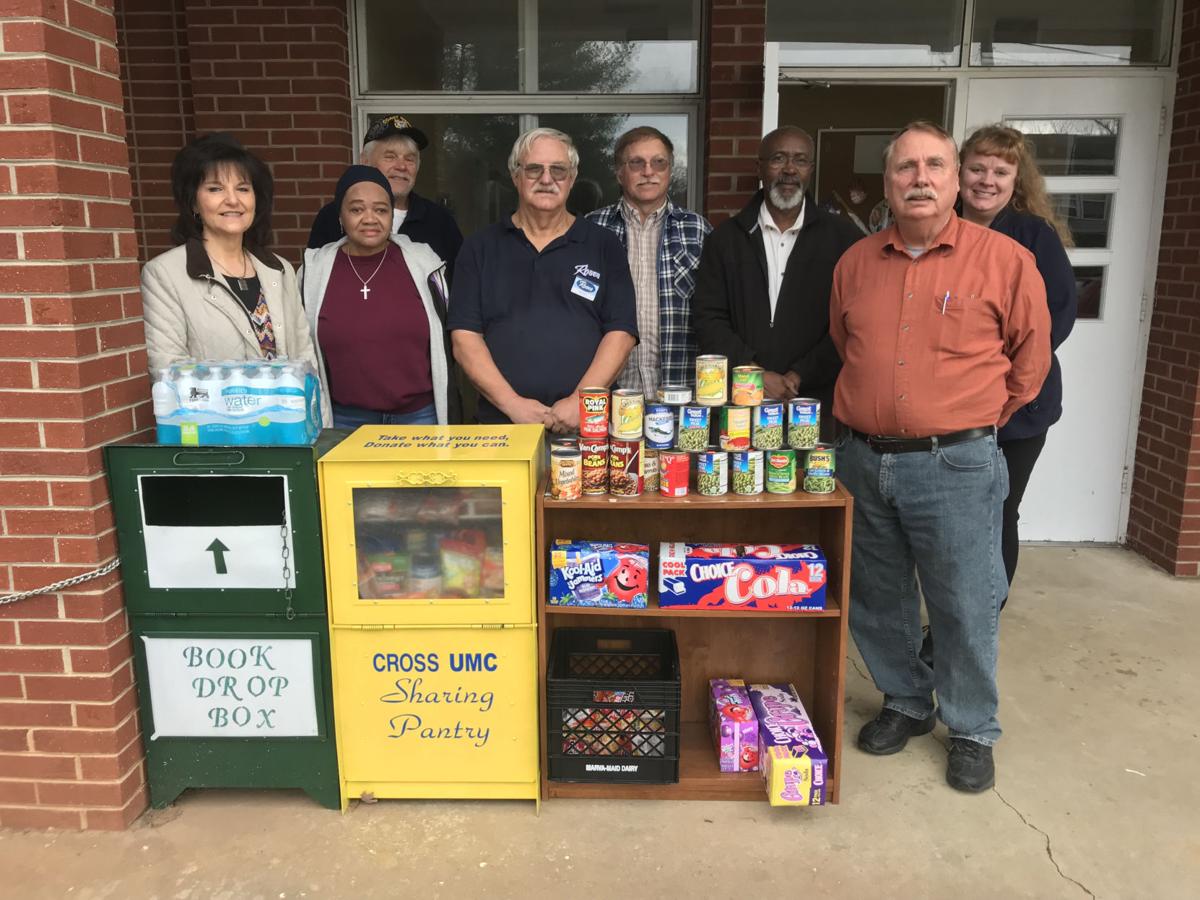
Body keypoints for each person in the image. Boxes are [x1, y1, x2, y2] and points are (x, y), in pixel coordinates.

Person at [829, 121, 1051, 793]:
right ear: (889, 183)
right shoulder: (856, 263)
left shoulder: (1004, 260)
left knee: (963, 600)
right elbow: (846, 342)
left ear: (955, 181)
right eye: (905, 168)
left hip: (955, 462)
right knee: (878, 596)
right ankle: (904, 701)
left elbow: (1029, 364)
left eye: (934, 166)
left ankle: (973, 727)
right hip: (864, 459)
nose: (919, 179)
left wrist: (963, 422)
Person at [448, 128, 638, 430]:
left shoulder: (604, 245)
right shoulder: (479, 247)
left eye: (558, 170)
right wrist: (512, 404)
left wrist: (582, 400)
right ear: (515, 176)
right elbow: (464, 339)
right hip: (502, 427)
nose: (546, 179)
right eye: (534, 169)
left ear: (572, 178)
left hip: (586, 427)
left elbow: (621, 334)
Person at [958, 124, 1078, 595]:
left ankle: (982, 616)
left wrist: (998, 379)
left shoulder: (1034, 236)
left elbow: (1057, 317)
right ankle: (954, 616)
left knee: (995, 511)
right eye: (978, 168)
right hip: (951, 406)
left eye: (1001, 171)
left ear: (1016, 180)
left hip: (1017, 408)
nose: (987, 180)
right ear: (959, 173)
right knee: (953, 516)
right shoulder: (935, 226)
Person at [141, 133, 329, 422]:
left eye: (243, 188)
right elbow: (169, 371)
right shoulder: (166, 274)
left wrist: (318, 426)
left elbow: (305, 360)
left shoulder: (278, 269)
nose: (233, 200)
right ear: (193, 202)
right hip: (217, 438)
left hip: (287, 433)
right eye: (215, 189)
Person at [692, 126, 861, 426]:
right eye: (778, 159)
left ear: (811, 169)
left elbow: (852, 321)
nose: (789, 170)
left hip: (816, 405)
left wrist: (800, 374)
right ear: (759, 167)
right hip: (739, 406)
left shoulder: (844, 238)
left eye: (800, 160)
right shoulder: (725, 239)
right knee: (741, 475)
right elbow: (708, 317)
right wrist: (753, 373)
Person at [299, 165, 457, 427]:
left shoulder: (426, 265)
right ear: (340, 215)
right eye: (357, 209)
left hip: (419, 417)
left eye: (381, 209)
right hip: (344, 419)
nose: (370, 218)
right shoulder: (313, 271)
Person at [587, 126, 711, 396]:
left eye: (659, 162)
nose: (648, 172)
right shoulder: (591, 229)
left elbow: (714, 312)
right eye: (636, 163)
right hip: (608, 394)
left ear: (670, 170)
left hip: (680, 395)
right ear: (619, 172)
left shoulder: (698, 230)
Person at [307, 115, 464, 280]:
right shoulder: (332, 216)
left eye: (409, 159)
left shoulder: (440, 221)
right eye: (390, 157)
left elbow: (457, 287)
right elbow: (315, 282)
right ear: (365, 161)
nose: (402, 166)